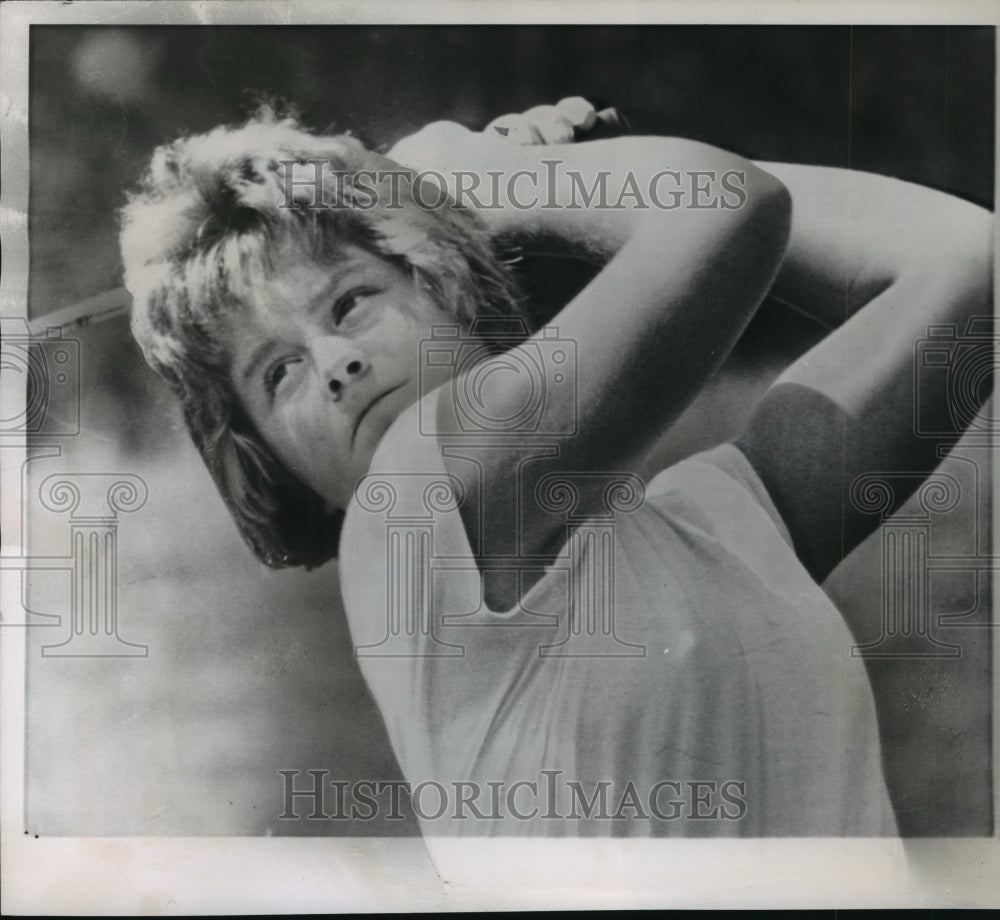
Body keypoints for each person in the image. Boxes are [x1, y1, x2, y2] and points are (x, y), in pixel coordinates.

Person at [119, 99, 992, 837]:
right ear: (278, 465)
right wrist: (515, 183)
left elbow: (969, 265)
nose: (336, 361)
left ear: (450, 284)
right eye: (279, 373)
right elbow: (726, 205)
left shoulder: (723, 523)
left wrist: (551, 187)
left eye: (351, 301)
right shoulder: (410, 500)